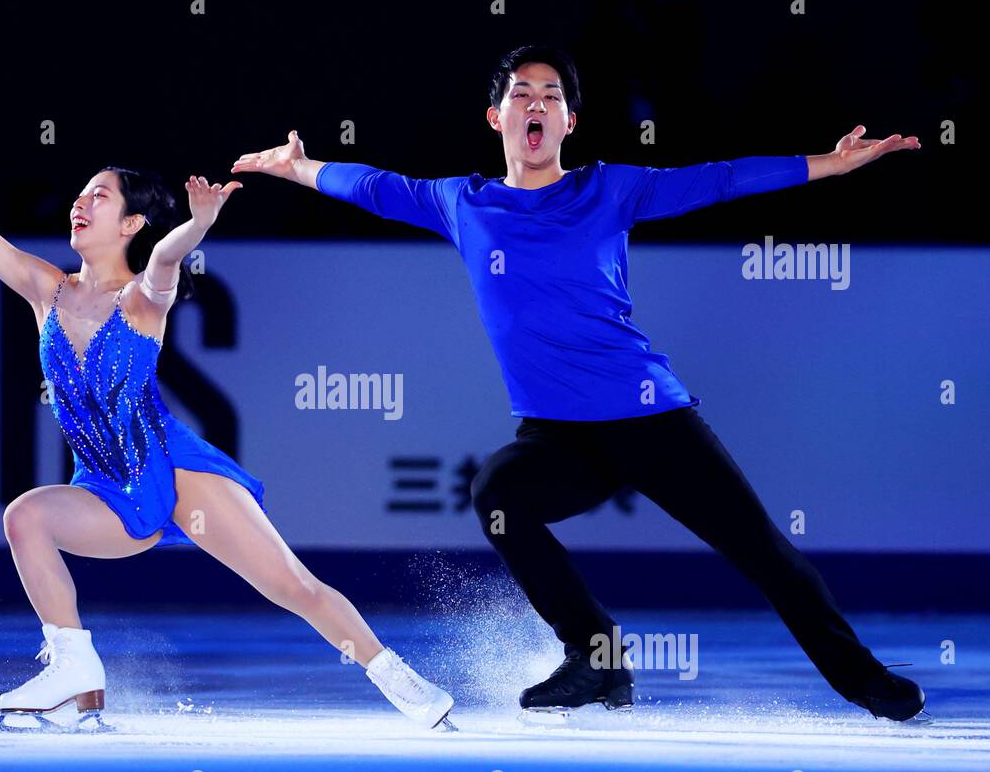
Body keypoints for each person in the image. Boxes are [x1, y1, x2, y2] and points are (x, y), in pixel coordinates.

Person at [231, 43, 926, 722]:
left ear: (569, 123)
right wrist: (299, 169)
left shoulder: (610, 189)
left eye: (552, 97)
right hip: (559, 435)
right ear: (495, 117)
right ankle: (597, 655)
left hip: (649, 416)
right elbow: (376, 187)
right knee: (499, 491)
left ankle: (867, 682)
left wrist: (826, 166)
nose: (537, 104)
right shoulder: (462, 204)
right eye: (522, 95)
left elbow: (716, 178)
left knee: (766, 554)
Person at [0, 126, 455, 732]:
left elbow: (164, 261)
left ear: (130, 224)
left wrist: (200, 222)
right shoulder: (44, 290)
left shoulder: (141, 301)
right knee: (26, 517)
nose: (80, 203)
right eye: (79, 195)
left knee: (293, 585)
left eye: (98, 196)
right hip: (105, 486)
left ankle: (402, 682)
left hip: (176, 471)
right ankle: (75, 670)